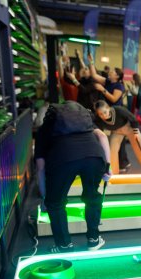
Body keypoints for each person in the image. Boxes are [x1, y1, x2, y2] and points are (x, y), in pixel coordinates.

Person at [34, 101, 111, 252]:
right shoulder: (83, 122)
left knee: (56, 203)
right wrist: (107, 167)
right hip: (94, 157)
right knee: (92, 197)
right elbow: (102, 136)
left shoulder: (45, 129)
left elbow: (40, 167)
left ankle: (64, 245)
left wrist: (46, 198)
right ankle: (94, 240)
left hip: (63, 160)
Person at [93, 100, 141, 174]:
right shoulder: (98, 120)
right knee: (112, 151)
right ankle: (113, 173)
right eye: (101, 114)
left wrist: (136, 132)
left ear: (108, 108)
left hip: (129, 128)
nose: (104, 116)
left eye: (105, 112)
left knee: (140, 147)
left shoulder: (119, 110)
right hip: (116, 132)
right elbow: (97, 128)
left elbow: (133, 118)